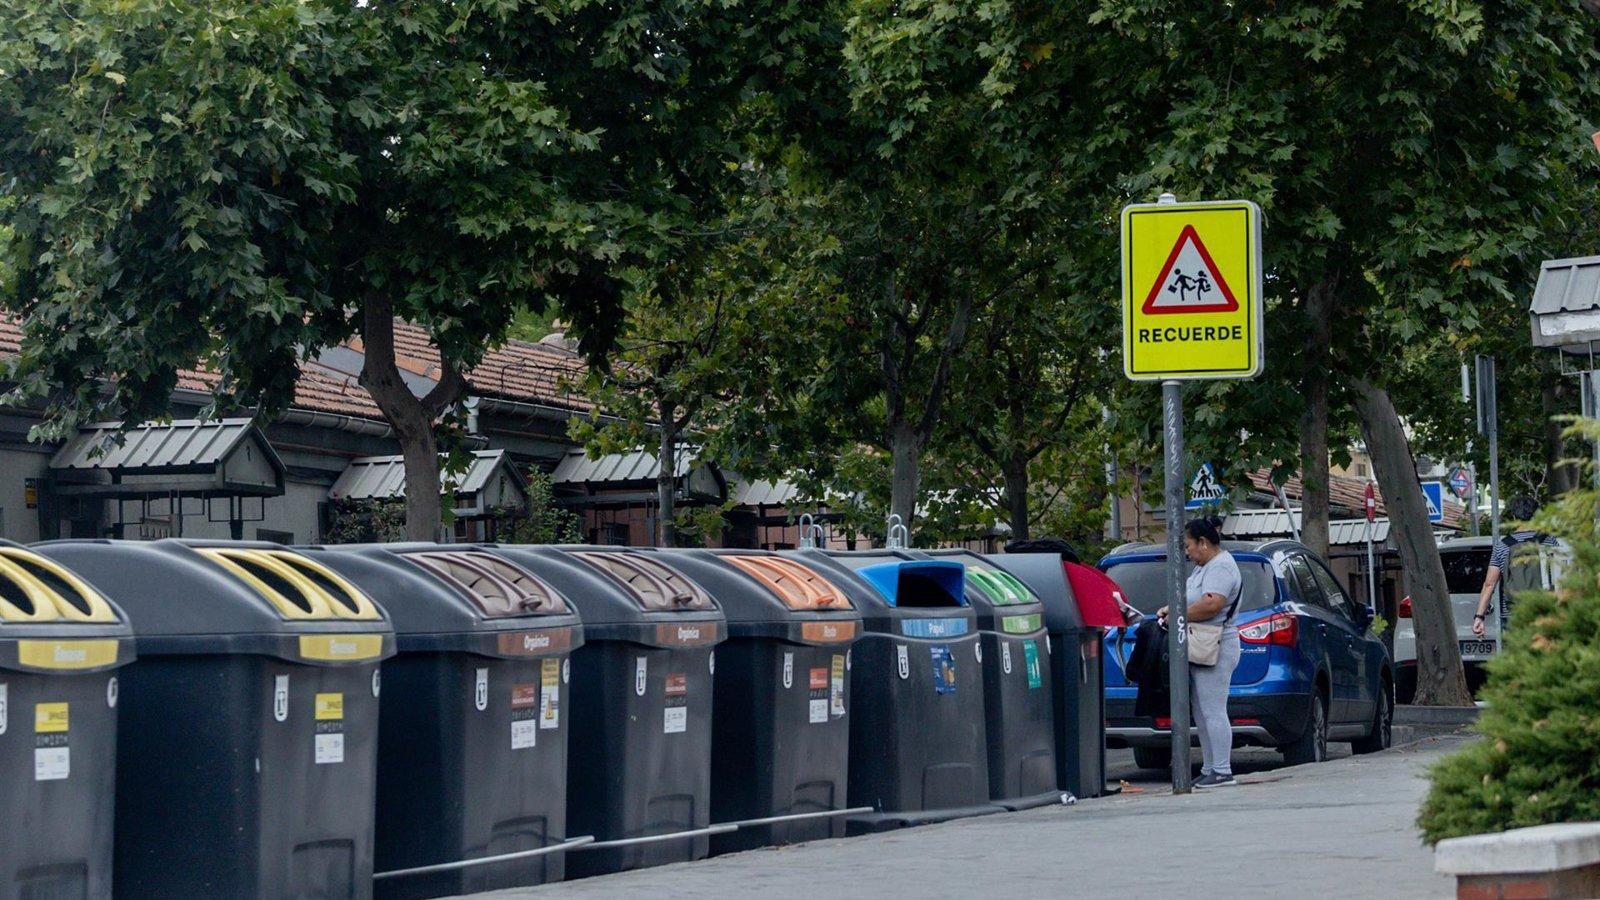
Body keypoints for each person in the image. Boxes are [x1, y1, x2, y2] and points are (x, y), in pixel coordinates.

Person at [1156, 515, 1243, 789]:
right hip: (1202, 643)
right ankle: (1210, 766)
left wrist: (1178, 615)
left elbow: (1211, 604)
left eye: (1188, 545)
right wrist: (1171, 609)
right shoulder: (1204, 567)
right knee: (1202, 710)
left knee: (1214, 709)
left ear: (1203, 543)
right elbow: (1194, 599)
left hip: (1216, 644)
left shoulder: (1221, 568)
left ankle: (1222, 769)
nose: (1187, 551)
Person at [1472, 496, 1558, 637]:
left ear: (1513, 517)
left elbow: (1489, 584)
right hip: (1545, 610)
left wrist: (1479, 616)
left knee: (1517, 655)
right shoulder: (1549, 541)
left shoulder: (1503, 546)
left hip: (1514, 614)